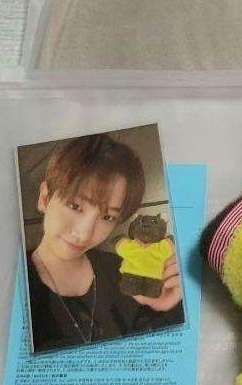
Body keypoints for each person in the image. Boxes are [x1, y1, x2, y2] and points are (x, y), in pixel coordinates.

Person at [25, 134, 183, 353]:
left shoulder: (126, 272)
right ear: (44, 198)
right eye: (75, 206)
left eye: (107, 217)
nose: (84, 234)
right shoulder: (13, 288)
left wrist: (169, 309)